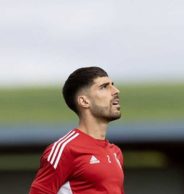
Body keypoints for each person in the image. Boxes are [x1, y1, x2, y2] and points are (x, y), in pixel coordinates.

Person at [29, 66, 124, 194]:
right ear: (84, 101)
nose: (116, 91)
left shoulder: (115, 152)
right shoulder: (65, 150)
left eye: (113, 85)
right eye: (104, 87)